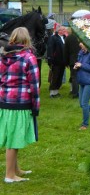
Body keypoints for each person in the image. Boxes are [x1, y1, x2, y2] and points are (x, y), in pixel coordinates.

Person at [0, 27, 40, 183]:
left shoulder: (3, 56)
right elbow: (35, 85)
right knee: (13, 140)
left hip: (4, 102)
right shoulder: (29, 58)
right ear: (26, 40)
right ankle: (9, 176)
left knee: (12, 136)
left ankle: (16, 169)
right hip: (20, 103)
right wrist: (36, 107)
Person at [46, 25, 66, 98]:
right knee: (55, 76)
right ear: (59, 31)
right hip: (56, 61)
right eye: (63, 29)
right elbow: (50, 49)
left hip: (63, 61)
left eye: (64, 29)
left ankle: (56, 91)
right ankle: (52, 92)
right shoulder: (53, 38)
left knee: (60, 76)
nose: (64, 31)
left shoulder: (64, 38)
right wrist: (50, 59)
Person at [63, 27, 80, 98]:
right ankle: (79, 91)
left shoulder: (68, 38)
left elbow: (65, 51)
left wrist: (66, 62)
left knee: (74, 76)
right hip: (81, 59)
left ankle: (75, 92)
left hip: (72, 60)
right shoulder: (81, 37)